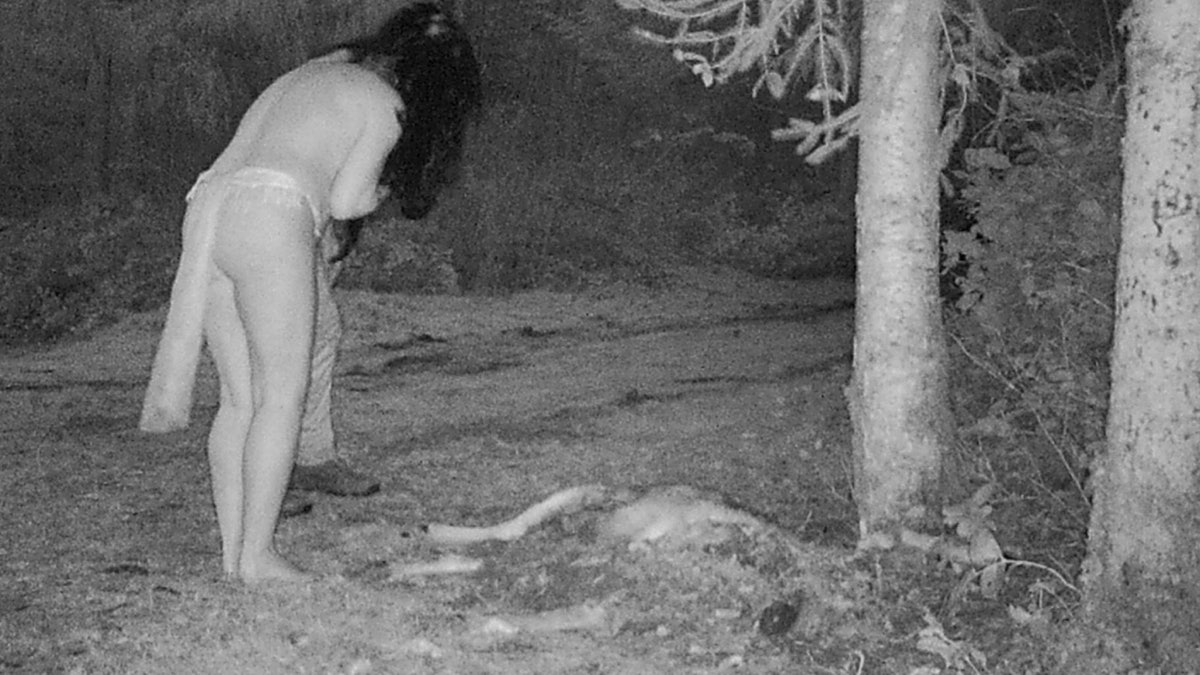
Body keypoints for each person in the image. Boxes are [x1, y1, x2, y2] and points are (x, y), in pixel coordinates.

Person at [139, 3, 481, 581]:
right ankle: (260, 557)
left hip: (207, 207)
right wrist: (381, 189)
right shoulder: (385, 104)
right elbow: (347, 203)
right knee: (280, 399)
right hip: (270, 211)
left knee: (239, 400)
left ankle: (235, 557)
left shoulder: (305, 75)